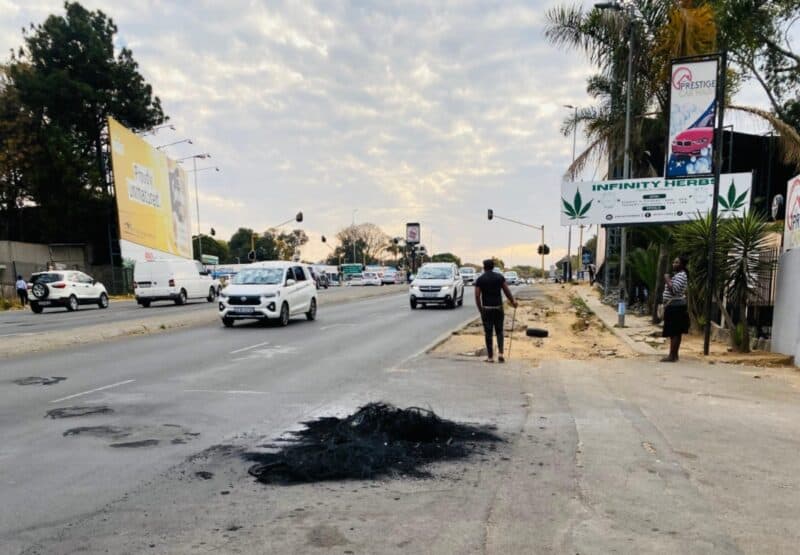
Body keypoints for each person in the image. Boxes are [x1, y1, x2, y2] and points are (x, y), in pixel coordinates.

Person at [474, 259, 518, 363]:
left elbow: (477, 296)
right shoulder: (499, 278)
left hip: (487, 309)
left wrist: (481, 310)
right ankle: (501, 354)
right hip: (498, 308)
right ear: (493, 267)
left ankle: (490, 357)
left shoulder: (480, 279)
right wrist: (513, 302)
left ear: (484, 267)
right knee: (499, 331)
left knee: (488, 333)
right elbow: (507, 291)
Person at [661, 255, 690, 362]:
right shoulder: (679, 275)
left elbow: (674, 290)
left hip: (675, 306)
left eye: (677, 262)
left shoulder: (681, 275)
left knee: (674, 332)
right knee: (675, 332)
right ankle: (674, 355)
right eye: (674, 262)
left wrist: (667, 279)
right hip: (673, 306)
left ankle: (672, 356)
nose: (674, 264)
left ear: (682, 265)